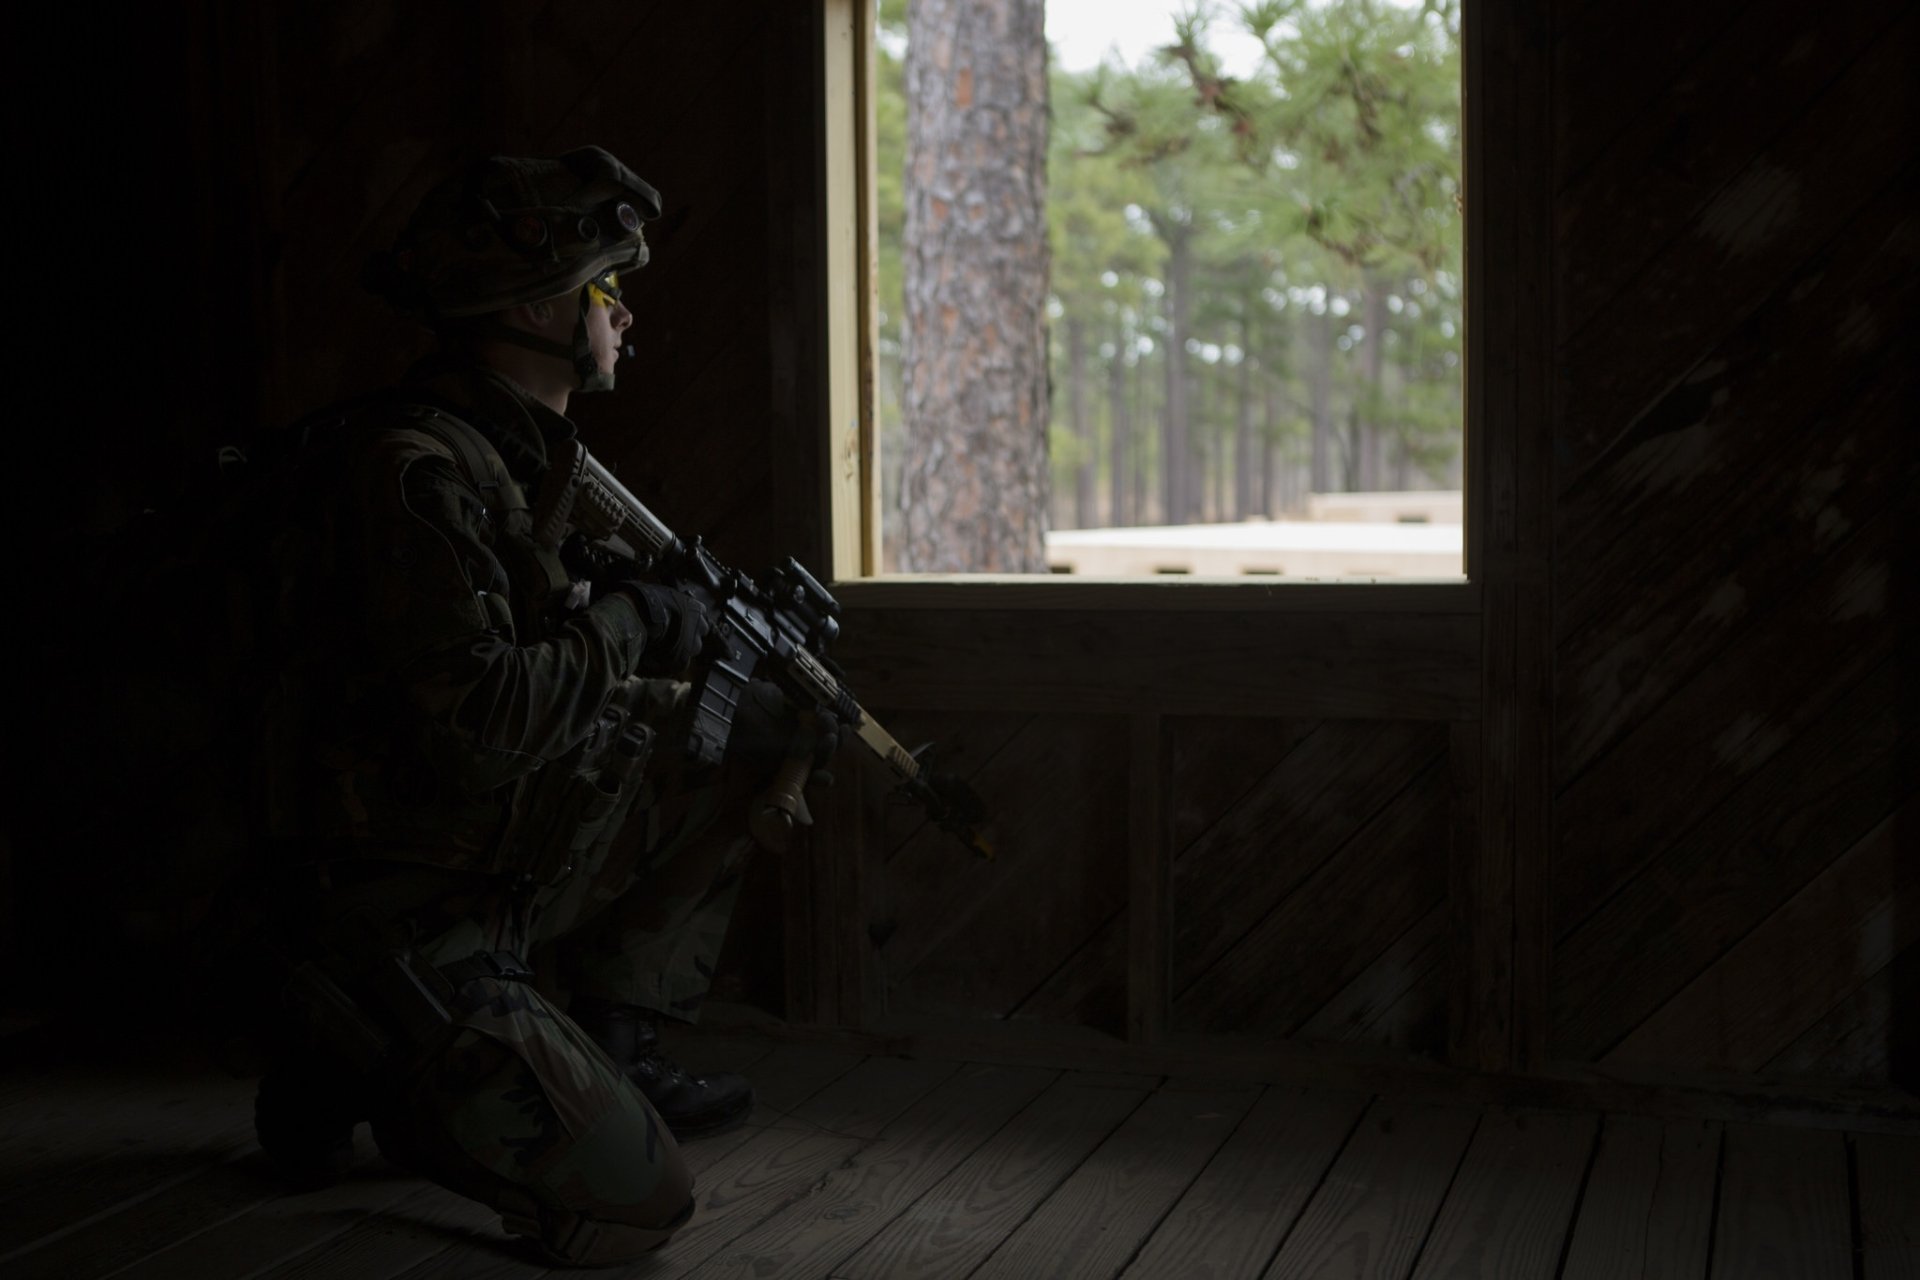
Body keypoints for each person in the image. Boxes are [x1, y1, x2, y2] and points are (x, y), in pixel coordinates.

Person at [247, 145, 825, 1266]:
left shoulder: (514, 459)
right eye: (607, 286)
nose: (623, 310)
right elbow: (481, 716)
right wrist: (639, 621)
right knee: (637, 1200)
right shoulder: (419, 469)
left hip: (486, 862)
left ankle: (576, 1032)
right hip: (410, 905)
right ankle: (381, 1049)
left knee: (758, 724)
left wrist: (664, 632)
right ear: (530, 302)